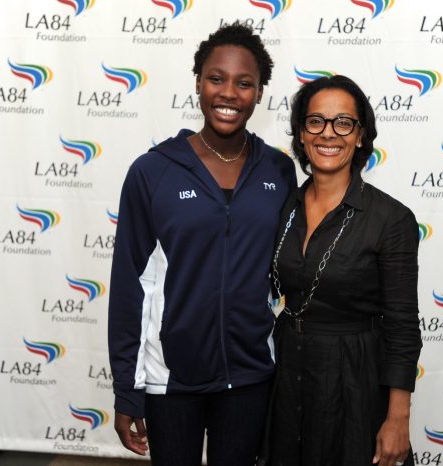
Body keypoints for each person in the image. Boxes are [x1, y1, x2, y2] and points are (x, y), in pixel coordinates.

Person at [108, 23, 297, 466]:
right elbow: (129, 286)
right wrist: (126, 389)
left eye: (244, 83)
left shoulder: (278, 171)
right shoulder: (152, 173)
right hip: (172, 379)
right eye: (217, 78)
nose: (229, 93)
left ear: (259, 92)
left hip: (251, 374)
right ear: (198, 82)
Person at [260, 75, 421, 466]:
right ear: (301, 133)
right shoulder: (284, 205)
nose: (328, 134)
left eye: (343, 123)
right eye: (316, 121)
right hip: (287, 371)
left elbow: (402, 325)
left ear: (361, 135)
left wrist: (398, 417)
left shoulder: (390, 219)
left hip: (354, 378)